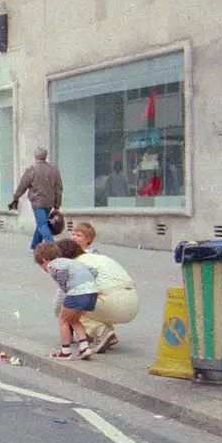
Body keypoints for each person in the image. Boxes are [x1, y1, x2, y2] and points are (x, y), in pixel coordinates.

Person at [69, 222, 139, 353]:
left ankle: (102, 332)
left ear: (89, 239)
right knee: (93, 303)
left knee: (73, 307)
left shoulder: (78, 260)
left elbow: (68, 293)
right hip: (130, 300)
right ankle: (108, 335)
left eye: (79, 235)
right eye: (73, 234)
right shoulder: (98, 256)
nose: (74, 237)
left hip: (113, 300)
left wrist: (63, 317)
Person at [36, 238, 100, 360]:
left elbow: (59, 271)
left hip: (77, 292)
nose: (43, 268)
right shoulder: (71, 262)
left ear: (44, 260)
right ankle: (84, 347)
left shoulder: (52, 265)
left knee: (62, 319)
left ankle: (66, 351)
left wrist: (64, 283)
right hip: (92, 292)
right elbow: (94, 271)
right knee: (74, 320)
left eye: (41, 265)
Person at [9, 146, 64, 249]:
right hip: (49, 202)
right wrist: (57, 205)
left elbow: (22, 186)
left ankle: (52, 246)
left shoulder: (31, 170)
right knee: (41, 223)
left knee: (42, 224)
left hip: (37, 202)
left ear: (35, 157)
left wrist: (15, 197)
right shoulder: (54, 170)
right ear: (45, 157)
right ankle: (34, 246)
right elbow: (59, 188)